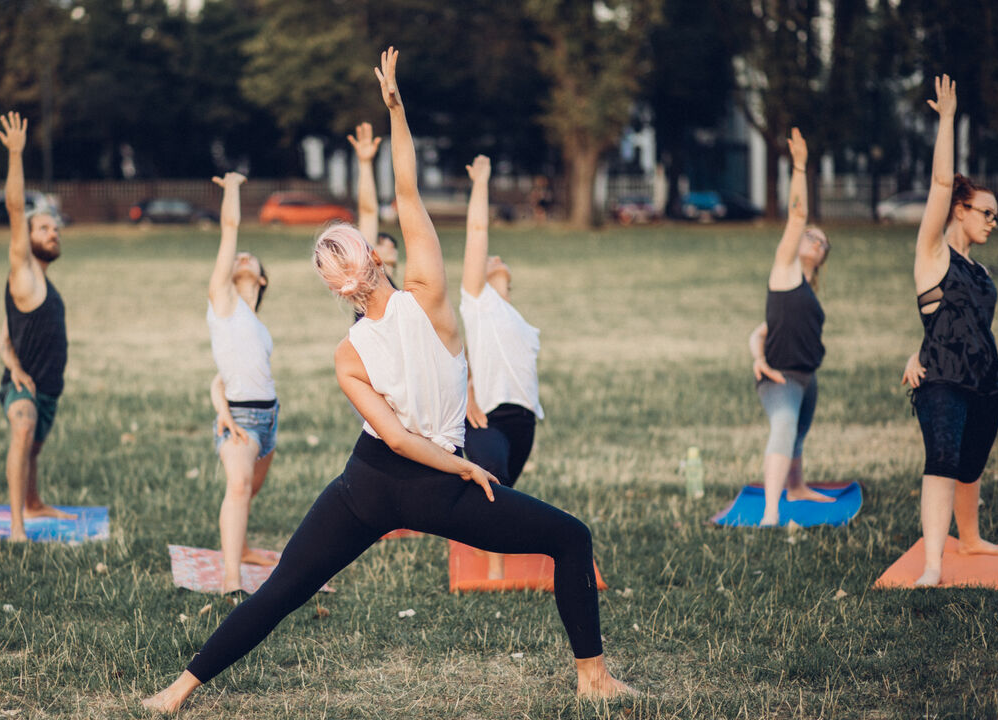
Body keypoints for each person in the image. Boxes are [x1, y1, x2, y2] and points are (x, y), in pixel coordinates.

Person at [143, 48, 632, 713]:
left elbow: (393, 436)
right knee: (569, 538)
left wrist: (396, 109)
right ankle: (594, 676)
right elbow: (409, 195)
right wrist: (463, 471)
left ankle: (177, 692)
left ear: (346, 275)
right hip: (424, 482)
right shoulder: (427, 296)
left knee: (283, 590)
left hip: (366, 485)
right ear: (369, 259)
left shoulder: (355, 345)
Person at [908, 75, 998, 586]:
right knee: (942, 461)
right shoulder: (933, 254)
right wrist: (947, 121)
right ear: (960, 212)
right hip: (943, 381)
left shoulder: (982, 271)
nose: (992, 221)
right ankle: (934, 565)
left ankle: (970, 538)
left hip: (987, 378)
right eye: (986, 213)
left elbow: (953, 323)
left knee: (972, 464)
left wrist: (912, 347)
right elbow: (941, 185)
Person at [460, 154, 545, 579]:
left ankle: (492, 547)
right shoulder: (477, 303)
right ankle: (493, 570)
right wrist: (481, 183)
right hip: (488, 416)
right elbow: (477, 231)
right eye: (487, 258)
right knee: (491, 482)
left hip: (524, 418)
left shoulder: (523, 325)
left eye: (498, 258)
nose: (492, 258)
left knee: (505, 491)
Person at [746, 128, 834, 527]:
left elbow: (764, 326)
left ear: (823, 257)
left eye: (821, 242)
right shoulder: (784, 270)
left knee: (797, 435)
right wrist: (799, 166)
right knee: (783, 427)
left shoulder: (806, 292)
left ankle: (796, 487)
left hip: (806, 376)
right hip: (779, 375)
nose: (813, 240)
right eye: (810, 236)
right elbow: (798, 214)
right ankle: (770, 513)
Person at [0, 112, 74, 542]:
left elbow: (6, 335)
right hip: (22, 386)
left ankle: (33, 501)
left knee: (35, 448)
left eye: (55, 227)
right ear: (26, 238)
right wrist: (16, 155)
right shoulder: (22, 272)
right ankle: (18, 527)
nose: (53, 232)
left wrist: (9, 354)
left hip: (48, 385)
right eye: (44, 227)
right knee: (22, 430)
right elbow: (13, 207)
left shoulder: (45, 283)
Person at [206, 171, 278, 596]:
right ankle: (232, 581)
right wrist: (232, 188)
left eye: (250, 258)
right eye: (238, 257)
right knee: (237, 487)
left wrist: (221, 400)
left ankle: (245, 548)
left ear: (262, 279)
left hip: (269, 418)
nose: (242, 258)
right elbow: (229, 230)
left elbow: (220, 376)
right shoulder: (224, 304)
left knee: (249, 491)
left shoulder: (255, 324)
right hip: (242, 419)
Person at [348, 121, 400, 283]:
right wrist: (364, 164)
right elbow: (369, 212)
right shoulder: (368, 285)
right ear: (373, 251)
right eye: (383, 243)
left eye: (392, 245)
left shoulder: (399, 292)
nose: (391, 247)